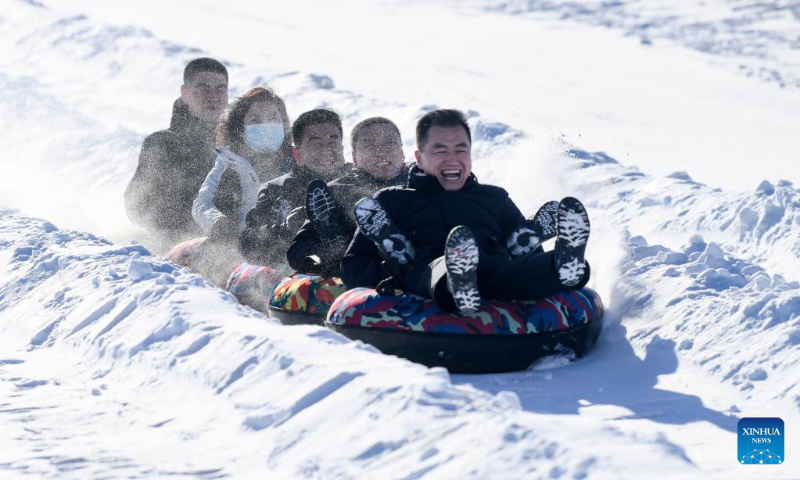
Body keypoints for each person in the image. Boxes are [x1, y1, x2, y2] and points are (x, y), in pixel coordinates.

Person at [341, 109, 591, 314]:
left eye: (460, 150)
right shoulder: (391, 201)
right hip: (428, 270)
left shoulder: (494, 198)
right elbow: (353, 268)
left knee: (524, 269)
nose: (452, 159)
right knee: (443, 268)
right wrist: (396, 268)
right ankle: (456, 282)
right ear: (419, 158)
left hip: (493, 267)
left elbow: (530, 256)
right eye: (440, 151)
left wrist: (522, 252)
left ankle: (564, 263)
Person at [286, 117, 413, 276]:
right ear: (354, 158)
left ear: (402, 151)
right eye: (369, 146)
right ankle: (345, 250)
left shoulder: (420, 180)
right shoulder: (336, 193)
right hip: (364, 271)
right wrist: (330, 253)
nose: (380, 152)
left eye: (389, 144)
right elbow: (297, 253)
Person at [124, 57, 229, 247]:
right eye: (203, 88)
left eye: (220, 89)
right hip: (180, 245)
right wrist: (186, 220)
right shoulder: (163, 144)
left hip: (237, 242)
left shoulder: (239, 143)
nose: (213, 96)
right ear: (185, 93)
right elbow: (136, 205)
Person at [239, 108, 350, 266]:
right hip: (300, 271)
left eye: (333, 142)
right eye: (316, 143)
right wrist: (282, 231)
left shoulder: (358, 181)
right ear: (297, 154)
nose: (327, 150)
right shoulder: (276, 189)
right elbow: (248, 244)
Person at [192, 87, 294, 241]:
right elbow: (202, 203)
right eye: (255, 120)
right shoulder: (230, 162)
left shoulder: (299, 160)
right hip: (244, 245)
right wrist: (216, 221)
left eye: (274, 118)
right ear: (241, 130)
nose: (266, 125)